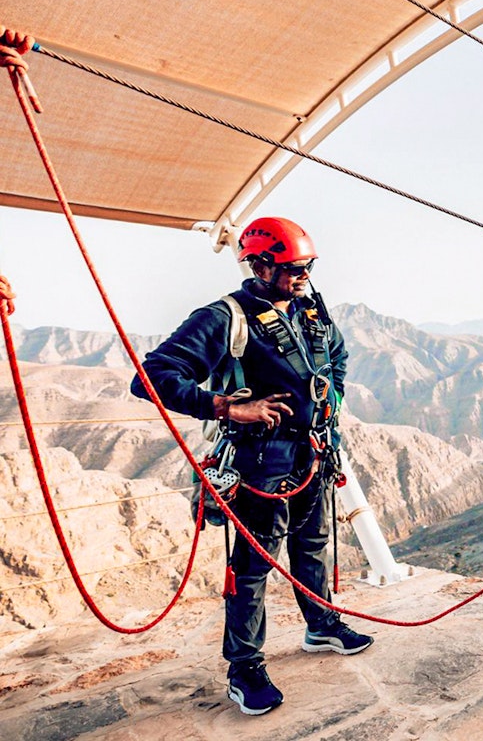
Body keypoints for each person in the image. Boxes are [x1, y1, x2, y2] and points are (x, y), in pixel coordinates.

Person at [131, 217, 372, 715]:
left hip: (313, 453)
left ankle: (321, 625)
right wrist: (226, 407)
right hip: (260, 463)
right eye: (293, 268)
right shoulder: (224, 319)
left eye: (308, 266)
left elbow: (336, 356)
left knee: (313, 545)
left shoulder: (310, 311)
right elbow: (151, 376)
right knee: (253, 567)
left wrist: (331, 400)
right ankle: (244, 668)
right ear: (260, 266)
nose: (303, 275)